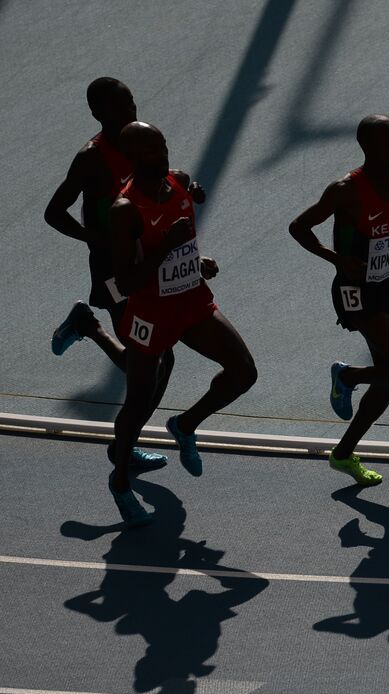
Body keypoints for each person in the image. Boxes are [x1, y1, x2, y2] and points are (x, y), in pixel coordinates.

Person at [46, 78, 203, 473]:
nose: (129, 112)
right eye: (119, 108)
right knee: (152, 360)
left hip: (152, 263)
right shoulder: (91, 158)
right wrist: (95, 238)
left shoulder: (140, 142)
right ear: (99, 115)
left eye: (131, 103)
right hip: (116, 270)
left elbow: (158, 181)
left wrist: (188, 186)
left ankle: (88, 326)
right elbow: (54, 212)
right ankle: (124, 447)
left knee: (153, 360)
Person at [105, 122, 257, 524]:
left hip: (192, 301)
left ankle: (185, 424)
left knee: (244, 371)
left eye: (163, 145)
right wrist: (167, 249)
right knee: (138, 401)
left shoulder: (180, 182)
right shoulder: (124, 210)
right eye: (151, 150)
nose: (162, 155)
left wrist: (194, 260)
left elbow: (182, 234)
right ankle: (120, 482)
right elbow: (126, 282)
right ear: (133, 158)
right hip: (151, 314)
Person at [289, 115, 389, 487]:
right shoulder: (346, 190)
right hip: (355, 293)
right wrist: (337, 259)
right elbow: (299, 227)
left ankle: (343, 453)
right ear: (371, 148)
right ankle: (347, 375)